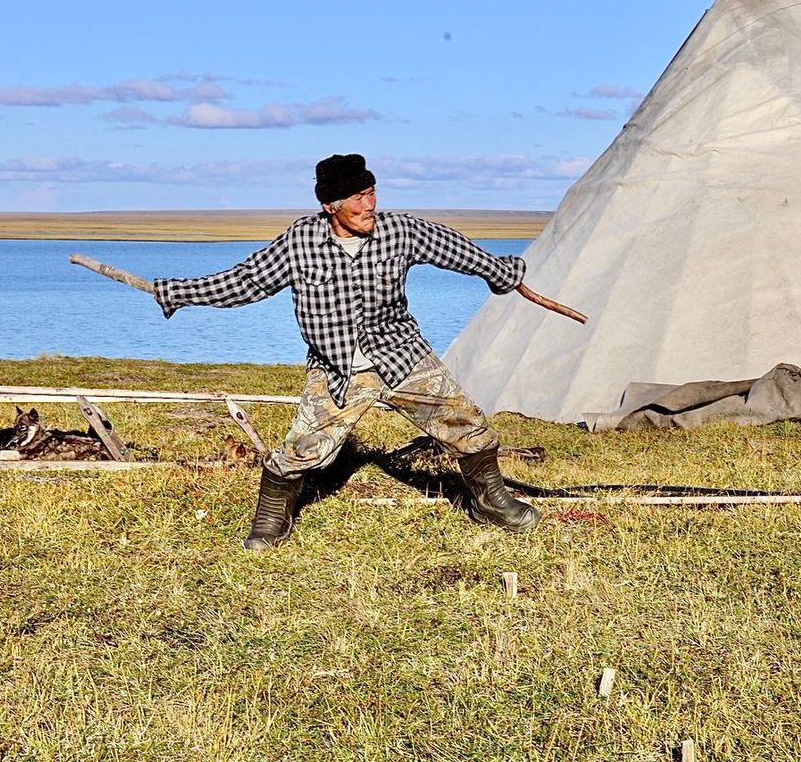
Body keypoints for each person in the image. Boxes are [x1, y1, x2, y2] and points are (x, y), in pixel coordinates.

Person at [152, 153, 541, 549]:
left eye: (371, 193)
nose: (369, 205)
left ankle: (490, 502)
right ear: (330, 206)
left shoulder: (399, 230)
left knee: (466, 421)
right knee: (302, 451)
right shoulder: (300, 241)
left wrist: (501, 272)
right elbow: (246, 282)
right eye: (357, 197)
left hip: (401, 354)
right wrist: (180, 293)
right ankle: (271, 518)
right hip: (337, 368)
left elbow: (453, 248)